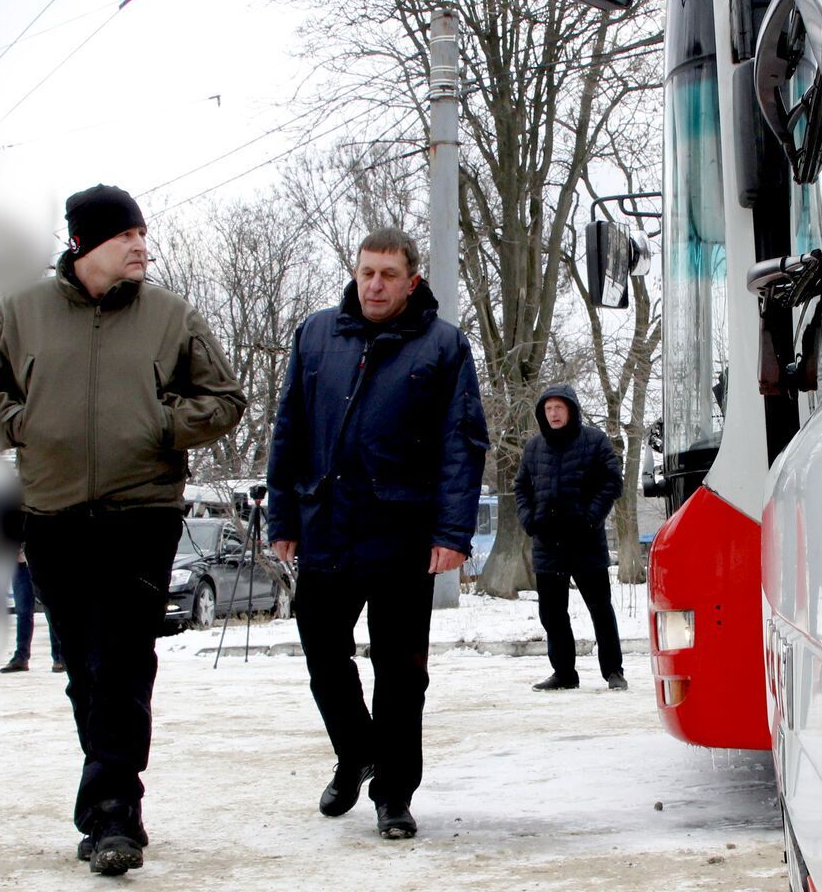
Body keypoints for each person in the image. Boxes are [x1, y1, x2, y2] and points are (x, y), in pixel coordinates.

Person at [0, 184, 246, 876]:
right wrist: (18, 423)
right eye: (125, 236)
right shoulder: (18, 312)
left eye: (143, 235)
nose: (140, 247)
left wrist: (162, 425)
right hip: (54, 512)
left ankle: (115, 811)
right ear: (83, 245)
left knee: (124, 660)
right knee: (85, 667)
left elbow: (225, 397)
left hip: (142, 509)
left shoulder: (170, 315)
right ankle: (107, 802)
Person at [267, 228, 488, 840]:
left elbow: (462, 443)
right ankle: (356, 750)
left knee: (401, 672)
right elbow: (289, 427)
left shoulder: (442, 346)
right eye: (367, 272)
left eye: (389, 274)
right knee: (322, 656)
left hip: (402, 534)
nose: (376, 285)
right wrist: (282, 516)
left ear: (411, 280)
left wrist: (451, 531)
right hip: (325, 527)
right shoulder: (317, 335)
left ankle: (394, 792)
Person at [515, 383, 627, 692]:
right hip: (547, 543)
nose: (553, 414)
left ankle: (613, 671)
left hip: (585, 541)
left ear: (571, 410)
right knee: (551, 613)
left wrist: (590, 518)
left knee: (600, 609)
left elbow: (612, 482)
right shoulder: (534, 447)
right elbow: (521, 488)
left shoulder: (594, 441)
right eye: (548, 409)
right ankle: (564, 672)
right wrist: (529, 520)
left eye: (558, 408)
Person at [1, 548, 65, 673]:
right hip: (21, 564)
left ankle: (58, 657)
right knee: (23, 611)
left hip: (43, 562)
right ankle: (21, 657)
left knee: (51, 609)